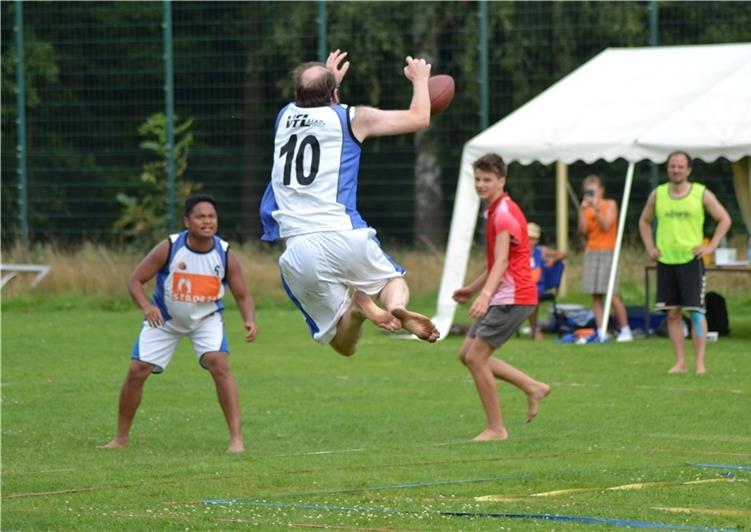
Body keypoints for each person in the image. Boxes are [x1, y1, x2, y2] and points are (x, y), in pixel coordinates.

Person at [259, 49, 439, 356]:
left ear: (296, 94)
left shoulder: (284, 117)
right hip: (342, 233)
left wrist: (330, 82)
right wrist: (421, 80)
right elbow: (420, 118)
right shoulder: (355, 118)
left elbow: (315, 103)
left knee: (342, 345)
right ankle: (396, 306)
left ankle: (357, 311)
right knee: (392, 281)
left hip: (298, 249)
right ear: (335, 93)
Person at [103, 195, 257, 453]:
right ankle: (120, 438)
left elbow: (242, 294)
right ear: (187, 221)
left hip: (206, 319)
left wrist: (249, 320)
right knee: (137, 370)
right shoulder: (170, 247)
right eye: (200, 216)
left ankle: (236, 440)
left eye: (211, 216)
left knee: (219, 364)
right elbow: (135, 281)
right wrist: (147, 306)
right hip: (164, 319)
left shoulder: (225, 252)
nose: (207, 221)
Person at [453, 154, 551, 441]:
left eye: (487, 180)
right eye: (478, 179)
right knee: (467, 355)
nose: (481, 185)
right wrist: (473, 288)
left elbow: (503, 263)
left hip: (514, 296)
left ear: (501, 181)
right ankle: (532, 387)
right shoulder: (494, 211)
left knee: (476, 358)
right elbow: (497, 260)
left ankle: (496, 429)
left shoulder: (504, 214)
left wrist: (484, 295)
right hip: (504, 294)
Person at [639, 151, 731, 374]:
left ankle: (700, 363)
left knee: (696, 313)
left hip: (691, 261)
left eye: (680, 167)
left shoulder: (700, 193)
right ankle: (680, 362)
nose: (676, 170)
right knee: (672, 313)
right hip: (666, 261)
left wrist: (711, 246)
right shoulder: (658, 194)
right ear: (667, 168)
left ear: (688, 169)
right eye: (672, 166)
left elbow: (724, 219)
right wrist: (650, 247)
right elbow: (644, 221)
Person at [578, 175, 633, 342]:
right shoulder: (586, 208)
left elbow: (607, 225)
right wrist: (582, 210)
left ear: (601, 190)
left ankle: (625, 329)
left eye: (593, 190)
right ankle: (602, 331)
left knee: (612, 293)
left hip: (608, 252)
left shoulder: (610, 204)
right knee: (595, 295)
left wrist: (595, 208)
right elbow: (583, 230)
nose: (591, 193)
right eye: (588, 190)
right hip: (592, 252)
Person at [526, 222, 566, 341]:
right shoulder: (519, 251)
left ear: (537, 240)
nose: (530, 241)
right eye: (528, 237)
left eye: (533, 238)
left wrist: (553, 260)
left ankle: (535, 329)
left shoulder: (541, 251)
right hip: (523, 285)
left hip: (537, 286)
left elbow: (563, 254)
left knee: (533, 295)